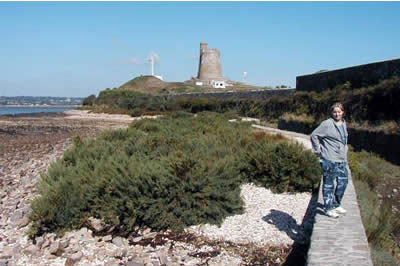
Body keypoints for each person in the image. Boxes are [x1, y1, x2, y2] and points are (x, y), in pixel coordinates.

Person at [310, 102, 350, 218]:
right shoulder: (327, 124)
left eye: (339, 111)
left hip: (342, 160)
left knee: (343, 182)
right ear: (332, 113)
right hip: (330, 159)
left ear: (343, 112)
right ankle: (328, 208)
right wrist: (318, 151)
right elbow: (314, 135)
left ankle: (336, 204)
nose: (337, 114)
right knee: (329, 184)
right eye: (335, 112)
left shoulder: (343, 123)